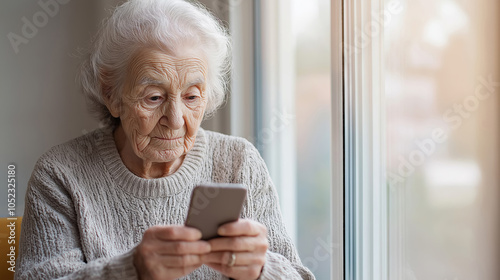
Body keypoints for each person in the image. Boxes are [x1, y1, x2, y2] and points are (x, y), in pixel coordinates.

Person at [15, 0, 315, 279]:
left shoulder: (238, 161)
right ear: (111, 94)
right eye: (154, 97)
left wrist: (261, 270)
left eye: (192, 96)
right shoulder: (61, 174)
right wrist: (131, 270)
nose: (175, 119)